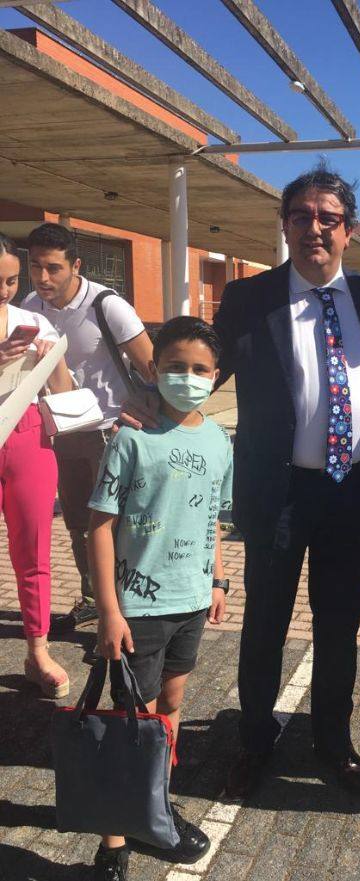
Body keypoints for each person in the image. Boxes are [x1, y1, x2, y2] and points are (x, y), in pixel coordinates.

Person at [208, 163, 360, 797]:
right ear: (285, 225)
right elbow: (202, 370)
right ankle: (253, 739)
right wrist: (148, 399)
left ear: (348, 231)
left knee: (339, 624)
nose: (315, 228)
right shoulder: (248, 299)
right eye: (302, 216)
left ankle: (333, 740)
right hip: (278, 490)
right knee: (264, 620)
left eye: (329, 218)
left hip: (354, 491)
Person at [87, 316, 233, 881]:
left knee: (168, 709)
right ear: (154, 369)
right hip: (136, 609)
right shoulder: (132, 436)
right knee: (130, 724)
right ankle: (113, 842)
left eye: (199, 370)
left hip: (190, 603)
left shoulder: (219, 440)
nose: (187, 378)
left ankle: (154, 808)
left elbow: (214, 519)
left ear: (216, 377)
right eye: (175, 367)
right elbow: (100, 526)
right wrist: (108, 610)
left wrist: (217, 580)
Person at [23, 223, 153, 632]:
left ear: (75, 265)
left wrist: (147, 413)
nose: (44, 278)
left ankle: (126, 611)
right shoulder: (30, 305)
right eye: (36, 267)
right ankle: (94, 599)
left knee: (115, 526)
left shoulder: (106, 305)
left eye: (54, 268)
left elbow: (151, 366)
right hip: (62, 430)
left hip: (109, 432)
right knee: (79, 524)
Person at [0, 233, 73, 697]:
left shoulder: (31, 320)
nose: (4, 290)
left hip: (27, 431)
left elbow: (63, 392)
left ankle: (37, 649)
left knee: (34, 550)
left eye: (9, 280)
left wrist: (51, 361)